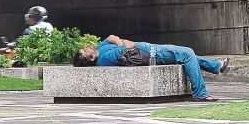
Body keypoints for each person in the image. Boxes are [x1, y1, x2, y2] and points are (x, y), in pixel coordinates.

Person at [73, 34, 230, 101]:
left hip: (150, 49)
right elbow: (124, 46)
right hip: (153, 54)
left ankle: (216, 66)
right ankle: (200, 93)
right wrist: (118, 41)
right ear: (91, 58)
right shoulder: (105, 58)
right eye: (86, 50)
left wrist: (116, 41)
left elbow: (110, 38)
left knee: (186, 56)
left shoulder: (99, 50)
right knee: (187, 53)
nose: (87, 47)